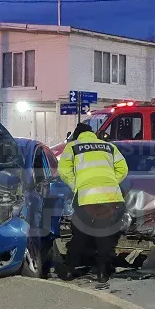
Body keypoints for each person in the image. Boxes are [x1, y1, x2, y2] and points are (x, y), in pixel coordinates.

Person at [56, 122, 129, 290]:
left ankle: (69, 270)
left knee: (80, 235)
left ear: (76, 135)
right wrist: (110, 182)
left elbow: (64, 171)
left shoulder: (72, 147)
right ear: (92, 134)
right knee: (104, 236)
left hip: (86, 197)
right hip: (109, 196)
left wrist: (77, 186)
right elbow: (123, 169)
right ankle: (102, 273)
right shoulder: (108, 146)